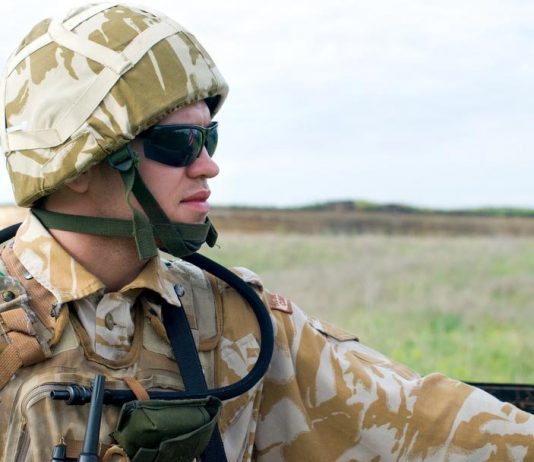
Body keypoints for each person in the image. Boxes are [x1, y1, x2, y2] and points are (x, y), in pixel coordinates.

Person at [0, 4, 533, 462]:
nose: (208, 166)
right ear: (79, 166)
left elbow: (427, 422)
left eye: (209, 138)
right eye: (179, 143)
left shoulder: (235, 322)